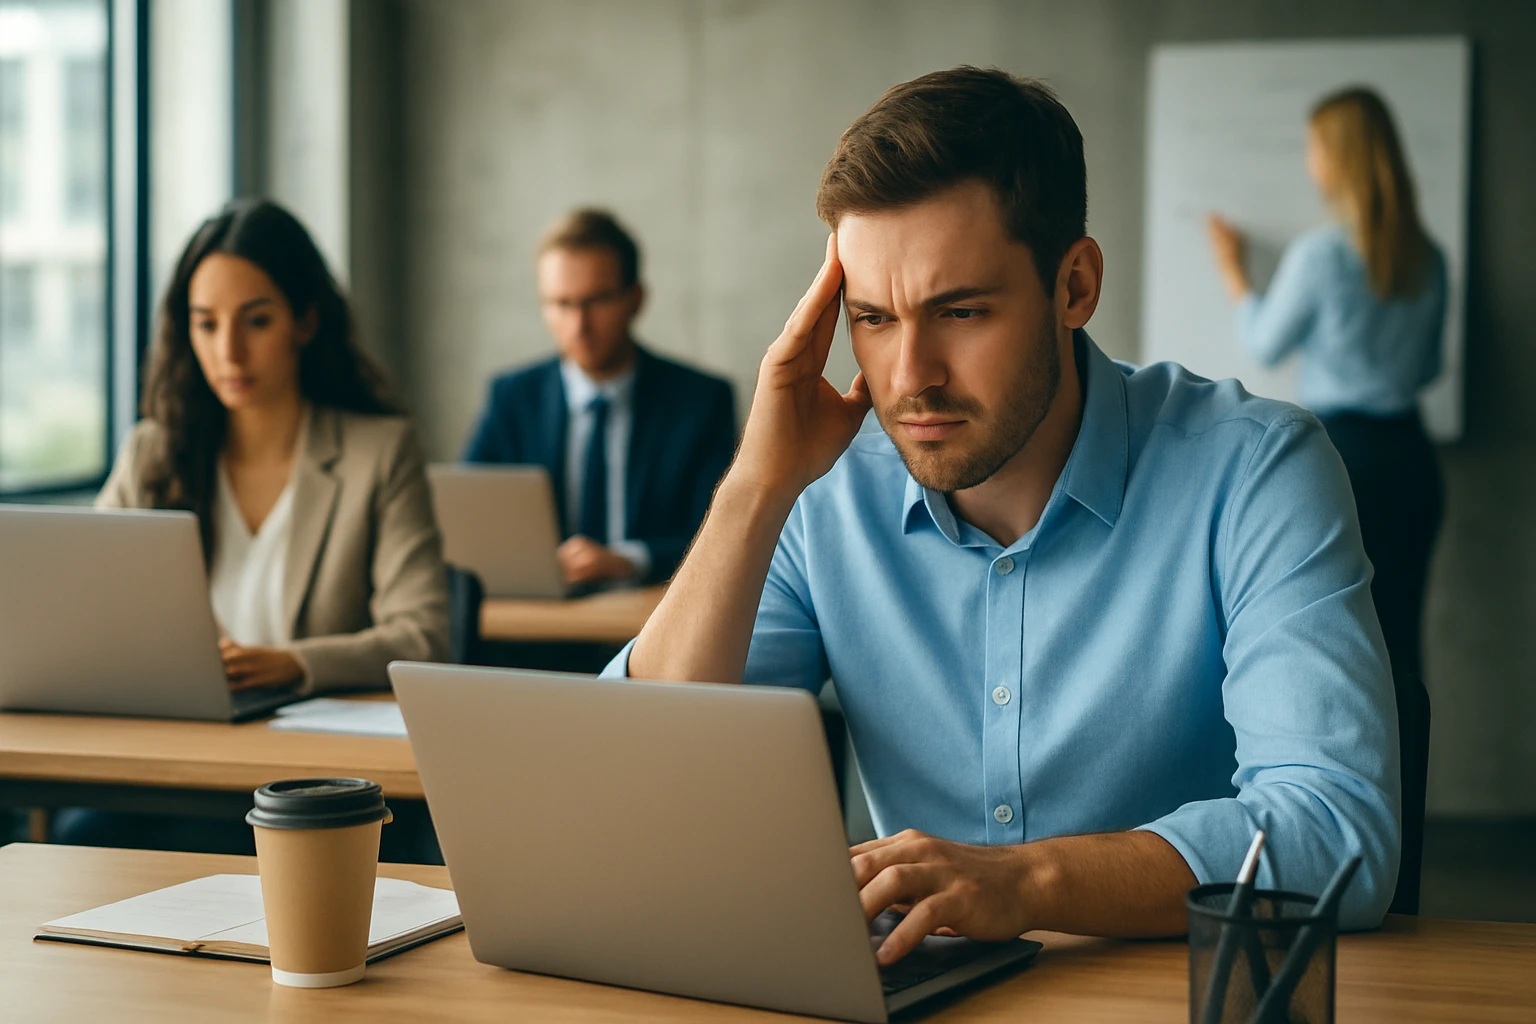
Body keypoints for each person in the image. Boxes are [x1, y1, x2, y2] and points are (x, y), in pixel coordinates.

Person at [604, 68, 1400, 964]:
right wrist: (756, 486)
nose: (911, 375)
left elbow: (1339, 833)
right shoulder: (821, 492)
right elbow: (638, 789)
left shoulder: (1256, 469)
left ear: (1075, 286)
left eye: (962, 311)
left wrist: (1023, 882)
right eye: (871, 317)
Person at [52, 198, 449, 855]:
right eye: (206, 324)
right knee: (84, 838)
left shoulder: (378, 451)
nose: (228, 350)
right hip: (177, 761)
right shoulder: (153, 454)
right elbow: (91, 625)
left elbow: (423, 636)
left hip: (318, 787)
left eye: (255, 321)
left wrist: (291, 664)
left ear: (305, 320)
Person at [1206, 86, 1446, 685]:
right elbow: (1426, 369)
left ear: (1337, 155)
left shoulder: (1322, 256)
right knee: (1402, 651)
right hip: (1413, 459)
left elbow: (1264, 342)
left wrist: (1235, 271)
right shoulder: (1429, 256)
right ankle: (1409, 782)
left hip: (1349, 461)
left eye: (1314, 146)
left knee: (1349, 655)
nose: (1308, 160)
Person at [463, 209, 736, 587]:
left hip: (650, 620)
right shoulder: (512, 399)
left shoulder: (700, 402)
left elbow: (725, 534)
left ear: (635, 299)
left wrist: (628, 560)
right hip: (536, 631)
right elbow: (469, 523)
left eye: (598, 301)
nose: (579, 326)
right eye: (562, 304)